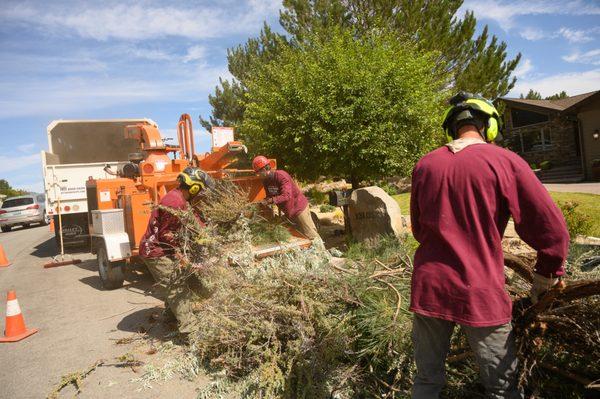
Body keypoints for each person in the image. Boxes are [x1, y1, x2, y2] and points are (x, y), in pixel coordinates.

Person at [409, 92, 569, 399]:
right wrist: (546, 274)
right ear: (490, 127)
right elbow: (553, 230)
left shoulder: (425, 165)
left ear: (450, 128)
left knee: (427, 380)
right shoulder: (504, 160)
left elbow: (418, 229)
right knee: (503, 386)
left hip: (429, 287)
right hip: (479, 290)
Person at [139, 166, 214, 334]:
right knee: (177, 288)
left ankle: (170, 318)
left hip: (164, 249)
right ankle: (191, 331)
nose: (200, 193)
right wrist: (183, 255)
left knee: (185, 280)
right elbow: (166, 235)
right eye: (200, 189)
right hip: (155, 251)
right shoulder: (175, 201)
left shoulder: (180, 198)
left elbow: (192, 220)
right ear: (194, 187)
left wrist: (205, 234)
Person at [252, 155, 320, 240]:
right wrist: (263, 201)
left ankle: (322, 251)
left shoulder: (281, 176)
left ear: (265, 169)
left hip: (299, 208)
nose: (258, 175)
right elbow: (270, 196)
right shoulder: (266, 181)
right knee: (299, 235)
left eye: (258, 172)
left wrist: (271, 200)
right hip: (289, 211)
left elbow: (287, 195)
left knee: (311, 235)